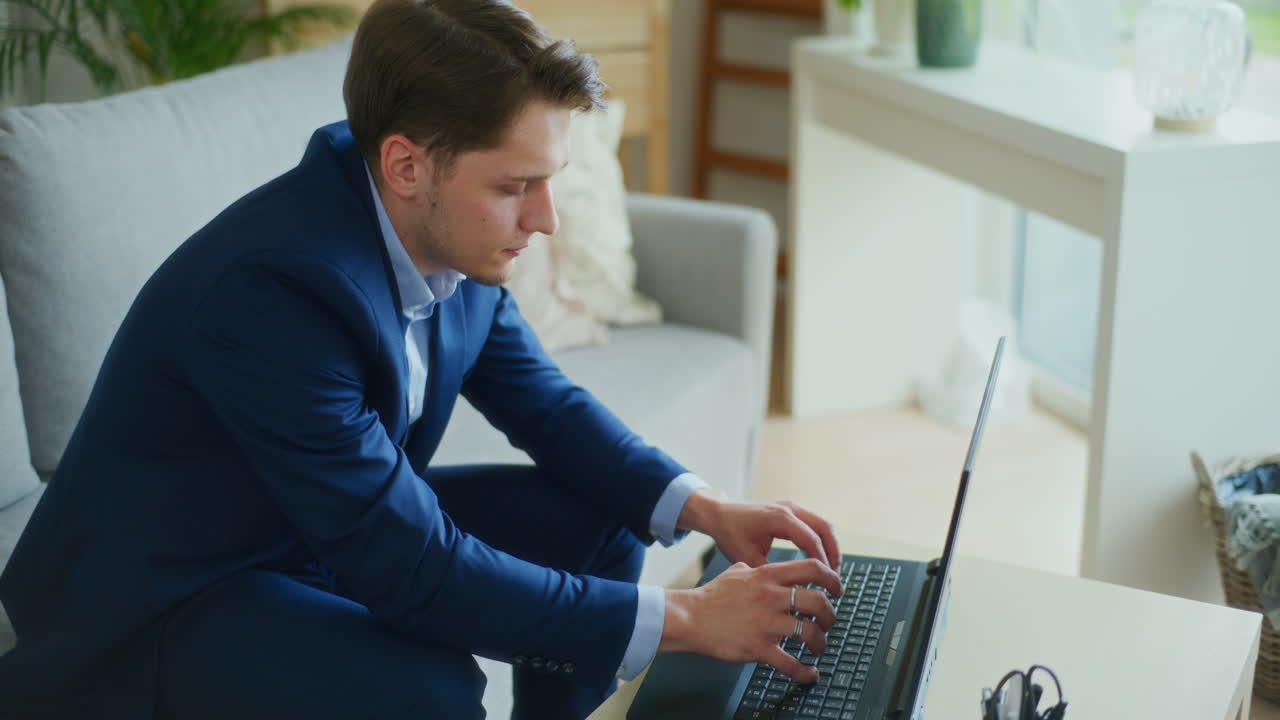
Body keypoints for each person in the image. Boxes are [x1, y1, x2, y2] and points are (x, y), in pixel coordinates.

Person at [0, 1, 845, 718]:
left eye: (549, 181)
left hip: (308, 532)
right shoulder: (273, 293)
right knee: (427, 689)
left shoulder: (446, 238)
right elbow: (410, 566)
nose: (545, 219)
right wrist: (689, 617)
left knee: (600, 528)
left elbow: (543, 404)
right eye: (517, 187)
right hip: (164, 599)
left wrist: (707, 509)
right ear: (407, 164)